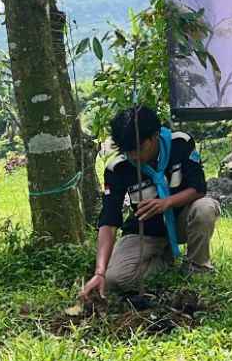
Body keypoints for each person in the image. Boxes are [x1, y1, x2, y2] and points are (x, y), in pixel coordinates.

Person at [78, 106, 220, 301]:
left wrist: (167, 203)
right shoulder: (117, 168)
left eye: (139, 148)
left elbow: (199, 188)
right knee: (115, 280)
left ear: (154, 136)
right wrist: (100, 271)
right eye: (128, 151)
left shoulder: (180, 144)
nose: (134, 156)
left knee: (205, 208)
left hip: (181, 221)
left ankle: (197, 268)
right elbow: (109, 220)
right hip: (144, 230)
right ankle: (164, 260)